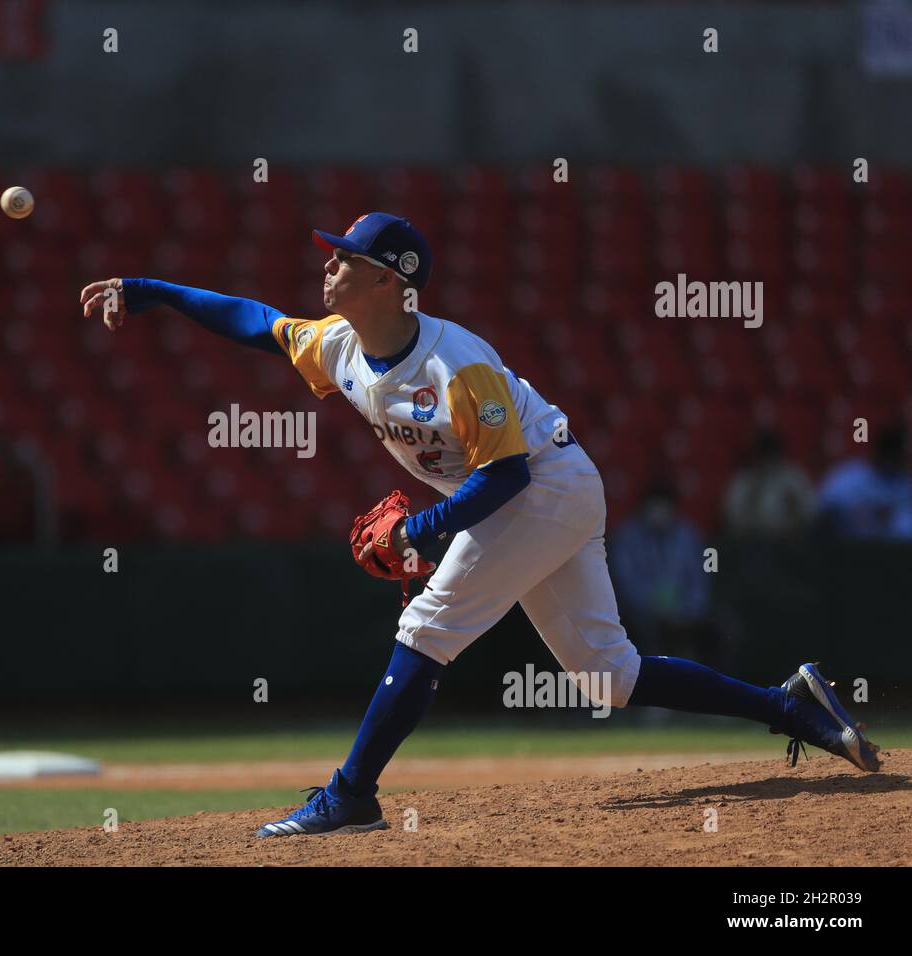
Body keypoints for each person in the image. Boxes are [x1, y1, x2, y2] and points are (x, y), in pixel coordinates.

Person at [79, 212, 881, 838]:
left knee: (426, 627)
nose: (327, 267)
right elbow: (253, 321)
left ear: (395, 282)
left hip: (548, 488)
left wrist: (421, 529)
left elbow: (509, 475)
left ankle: (349, 797)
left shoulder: (454, 365)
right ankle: (792, 705)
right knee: (610, 675)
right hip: (537, 494)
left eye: (345, 259)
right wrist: (148, 290)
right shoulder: (340, 347)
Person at [611, 479, 718, 663]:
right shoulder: (627, 536)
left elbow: (701, 578)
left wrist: (688, 610)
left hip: (685, 613)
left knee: (715, 629)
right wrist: (655, 608)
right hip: (642, 614)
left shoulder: (689, 535)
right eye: (655, 505)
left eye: (664, 506)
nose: (659, 511)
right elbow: (626, 582)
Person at [816, 422, 912, 540]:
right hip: (848, 550)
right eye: (900, 455)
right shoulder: (848, 477)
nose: (903, 461)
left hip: (894, 552)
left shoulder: (905, 484)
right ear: (887, 453)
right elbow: (824, 511)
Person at [722, 429, 815, 537]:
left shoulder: (793, 478)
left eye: (771, 454)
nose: (768, 462)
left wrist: (795, 514)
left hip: (788, 540)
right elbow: (731, 518)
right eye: (764, 455)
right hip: (752, 541)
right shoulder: (745, 480)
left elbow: (811, 514)